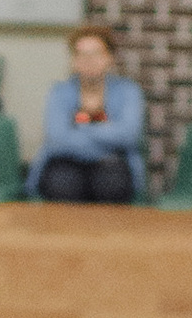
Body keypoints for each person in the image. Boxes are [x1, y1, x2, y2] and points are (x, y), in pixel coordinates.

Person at [28, 23, 146, 204]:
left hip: (112, 165)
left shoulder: (128, 91)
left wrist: (80, 130)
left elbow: (128, 135)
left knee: (112, 185)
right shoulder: (59, 92)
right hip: (64, 163)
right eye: (82, 54)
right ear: (73, 60)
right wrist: (105, 134)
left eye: (96, 54)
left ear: (110, 58)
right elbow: (57, 138)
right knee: (63, 186)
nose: (89, 60)